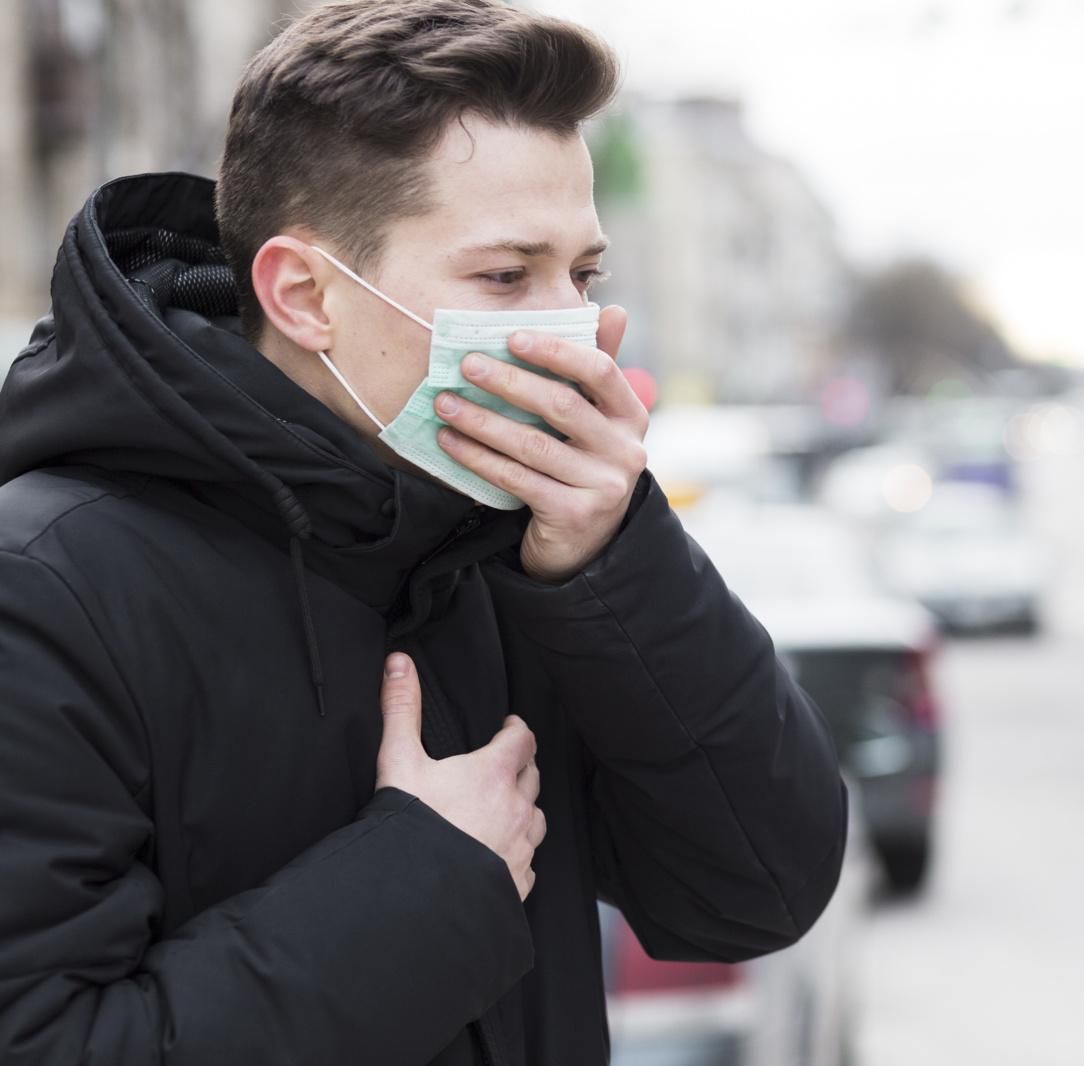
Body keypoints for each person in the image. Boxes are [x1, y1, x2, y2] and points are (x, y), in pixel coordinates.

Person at [0, 2, 848, 1064]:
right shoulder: (43, 585)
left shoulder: (521, 550)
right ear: (305, 293)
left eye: (582, 277)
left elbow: (758, 891)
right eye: (505, 276)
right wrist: (427, 881)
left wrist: (614, 557)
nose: (568, 328)